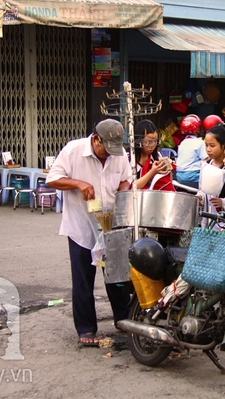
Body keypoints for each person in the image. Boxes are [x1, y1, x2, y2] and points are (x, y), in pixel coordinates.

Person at [46, 119, 133, 347]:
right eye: (105, 150)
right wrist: (78, 183)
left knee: (117, 277)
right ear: (96, 140)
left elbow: (126, 180)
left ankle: (124, 321)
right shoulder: (73, 150)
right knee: (84, 279)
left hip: (111, 226)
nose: (108, 156)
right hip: (81, 226)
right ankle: (86, 328)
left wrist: (123, 193)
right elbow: (52, 178)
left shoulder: (119, 154)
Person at [198, 124, 225, 214]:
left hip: (223, 220)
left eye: (212, 146)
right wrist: (200, 197)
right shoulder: (205, 165)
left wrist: (223, 202)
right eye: (206, 145)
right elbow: (202, 189)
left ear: (223, 146)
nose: (208, 149)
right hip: (207, 216)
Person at [133, 120, 174, 191]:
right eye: (148, 141)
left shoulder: (157, 156)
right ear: (138, 140)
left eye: (155, 141)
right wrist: (152, 173)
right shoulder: (129, 158)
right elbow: (131, 187)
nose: (152, 145)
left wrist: (166, 167)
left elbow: (167, 181)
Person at [175, 114, 208, 188]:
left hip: (179, 176)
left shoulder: (182, 143)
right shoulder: (200, 143)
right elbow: (206, 160)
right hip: (193, 177)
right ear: (197, 129)